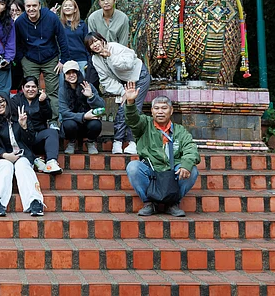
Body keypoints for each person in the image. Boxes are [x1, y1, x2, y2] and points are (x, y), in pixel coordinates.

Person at [123, 81, 200, 217]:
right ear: (151, 111)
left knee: (192, 170)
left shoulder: (180, 130)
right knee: (133, 167)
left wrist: (186, 165)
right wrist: (130, 103)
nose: (160, 111)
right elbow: (132, 120)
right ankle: (149, 203)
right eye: (156, 108)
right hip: (151, 171)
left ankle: (173, 203)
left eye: (164, 108)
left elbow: (191, 148)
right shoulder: (144, 125)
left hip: (172, 173)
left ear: (171, 111)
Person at [84, 32, 150, 155]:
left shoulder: (115, 47)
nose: (95, 45)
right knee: (122, 109)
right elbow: (105, 80)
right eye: (91, 44)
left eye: (96, 41)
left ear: (102, 39)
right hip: (125, 83)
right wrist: (122, 91)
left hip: (140, 76)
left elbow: (128, 64)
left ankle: (132, 142)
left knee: (133, 109)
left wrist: (110, 56)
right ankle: (118, 142)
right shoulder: (95, 59)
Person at [0, 93, 44, 216]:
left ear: (7, 100)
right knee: (5, 168)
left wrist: (24, 127)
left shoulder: (21, 117)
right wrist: (5, 155)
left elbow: (31, 142)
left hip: (22, 155)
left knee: (23, 167)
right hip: (2, 157)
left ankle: (34, 201)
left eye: (1, 102)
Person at [14, 0, 70, 122]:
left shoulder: (51, 18)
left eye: (34, 5)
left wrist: (63, 60)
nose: (31, 9)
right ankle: (35, 120)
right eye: (28, 6)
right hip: (29, 59)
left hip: (50, 58)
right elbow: (16, 42)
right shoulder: (20, 21)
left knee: (52, 92)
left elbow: (62, 38)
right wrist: (21, 59)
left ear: (39, 5)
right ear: (25, 7)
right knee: (32, 91)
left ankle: (53, 120)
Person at [10, 76, 62, 174]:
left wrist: (43, 103)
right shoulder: (16, 100)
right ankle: (34, 160)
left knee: (52, 132)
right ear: (22, 88)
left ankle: (51, 162)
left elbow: (48, 116)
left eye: (33, 87)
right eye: (27, 86)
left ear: (37, 88)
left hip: (37, 136)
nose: (30, 89)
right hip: (22, 138)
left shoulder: (41, 98)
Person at [58, 61, 104, 155]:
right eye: (68, 73)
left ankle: (90, 142)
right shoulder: (62, 90)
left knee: (96, 124)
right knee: (69, 124)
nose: (71, 75)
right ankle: (71, 142)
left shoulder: (88, 86)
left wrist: (91, 96)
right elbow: (64, 112)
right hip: (72, 125)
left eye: (73, 72)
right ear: (64, 75)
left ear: (78, 73)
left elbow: (101, 106)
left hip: (88, 124)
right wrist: (83, 116)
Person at [58, 0, 90, 74]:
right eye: (65, 6)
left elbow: (87, 44)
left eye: (70, 6)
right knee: (63, 85)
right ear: (62, 9)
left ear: (75, 9)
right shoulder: (58, 24)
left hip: (81, 59)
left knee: (83, 84)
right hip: (64, 60)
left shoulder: (82, 25)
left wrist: (89, 60)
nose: (67, 7)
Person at [8, 0, 25, 91]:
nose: (14, 13)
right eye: (12, 10)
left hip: (22, 56)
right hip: (9, 57)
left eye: (17, 10)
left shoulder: (26, 23)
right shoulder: (6, 22)